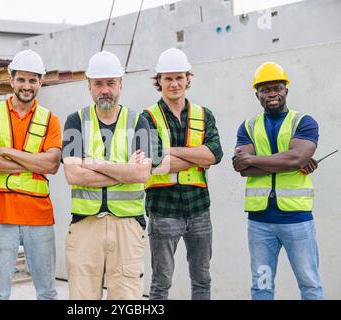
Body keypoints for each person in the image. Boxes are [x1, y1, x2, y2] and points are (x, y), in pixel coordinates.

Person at [62, 51, 152, 299]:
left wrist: (95, 164)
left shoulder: (139, 121)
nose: (105, 90)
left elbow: (142, 173)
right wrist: (125, 170)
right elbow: (73, 175)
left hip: (128, 225)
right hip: (85, 226)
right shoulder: (75, 121)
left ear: (120, 85)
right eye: (99, 83)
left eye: (111, 83)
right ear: (89, 86)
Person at [232, 62, 323, 300]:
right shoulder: (248, 127)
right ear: (257, 94)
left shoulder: (304, 122)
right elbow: (243, 169)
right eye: (265, 89)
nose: (272, 93)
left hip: (297, 221)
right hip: (260, 224)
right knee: (261, 287)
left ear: (286, 90)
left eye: (277, 87)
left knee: (310, 284)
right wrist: (286, 162)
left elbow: (296, 158)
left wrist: (254, 159)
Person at [0, 49, 61, 300]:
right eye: (21, 79)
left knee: (47, 291)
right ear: (11, 79)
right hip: (0, 215)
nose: (27, 86)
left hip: (39, 216)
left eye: (32, 80)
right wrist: (35, 162)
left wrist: (7, 152)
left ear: (41, 82)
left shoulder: (51, 120)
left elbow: (53, 165)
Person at [142, 48, 223, 300]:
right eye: (168, 78)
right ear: (159, 82)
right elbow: (154, 163)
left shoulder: (203, 114)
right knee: (161, 282)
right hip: (163, 210)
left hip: (199, 209)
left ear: (188, 78)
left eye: (179, 77)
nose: (175, 83)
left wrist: (171, 152)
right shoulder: (147, 118)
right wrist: (195, 155)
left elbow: (214, 155)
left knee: (202, 279)